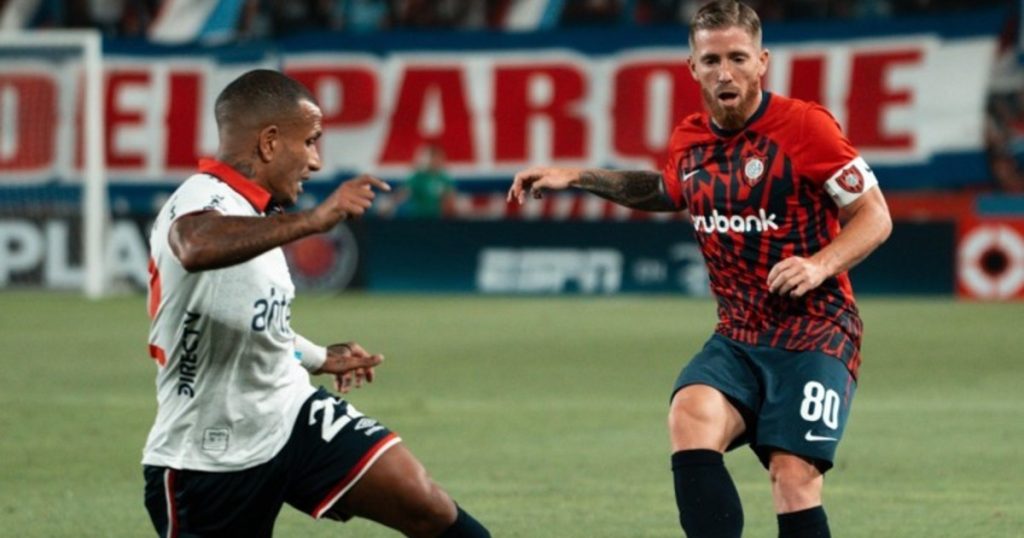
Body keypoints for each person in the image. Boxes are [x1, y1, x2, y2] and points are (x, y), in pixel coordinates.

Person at [508, 1, 892, 537]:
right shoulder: (691, 140)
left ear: (762, 62)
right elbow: (666, 190)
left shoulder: (807, 127)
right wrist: (575, 176)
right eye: (711, 60)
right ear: (693, 68)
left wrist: (819, 264)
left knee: (792, 475)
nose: (725, 72)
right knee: (690, 415)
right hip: (738, 335)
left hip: (816, 332)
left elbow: (875, 216)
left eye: (738, 58)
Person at [142, 69, 490, 538]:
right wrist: (316, 219)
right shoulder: (200, 198)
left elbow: (256, 324)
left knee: (430, 509)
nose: (316, 161)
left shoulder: (257, 216)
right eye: (309, 142)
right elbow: (194, 245)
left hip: (290, 412)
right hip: (208, 453)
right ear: (269, 143)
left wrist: (322, 358)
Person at [390, 144, 456, 218]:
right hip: (417, 217)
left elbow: (450, 200)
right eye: (433, 158)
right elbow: (404, 193)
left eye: (438, 158)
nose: (436, 161)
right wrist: (391, 204)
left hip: (437, 219)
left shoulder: (445, 179)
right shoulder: (417, 177)